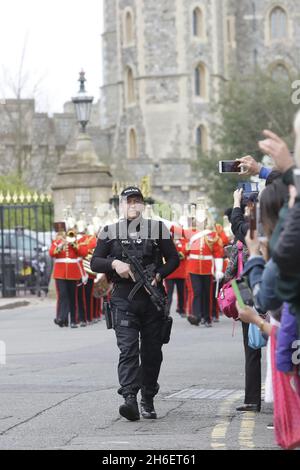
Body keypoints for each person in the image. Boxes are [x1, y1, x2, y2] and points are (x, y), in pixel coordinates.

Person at [91, 187, 179, 421]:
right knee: (128, 349)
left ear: (143, 205)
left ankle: (147, 398)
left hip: (152, 299)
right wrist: (114, 264)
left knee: (152, 353)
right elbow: (95, 262)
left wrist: (159, 274)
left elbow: (174, 259)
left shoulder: (158, 229)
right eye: (128, 201)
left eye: (137, 201)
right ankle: (129, 398)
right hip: (123, 298)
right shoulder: (109, 231)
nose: (133, 205)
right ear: (121, 205)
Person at [49, 222, 89, 328]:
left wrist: (73, 244)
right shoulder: (56, 242)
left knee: (72, 297)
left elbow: (83, 253)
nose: (62, 236)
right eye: (60, 234)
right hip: (60, 273)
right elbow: (52, 253)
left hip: (73, 273)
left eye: (63, 234)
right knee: (63, 295)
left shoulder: (74, 242)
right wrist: (61, 244)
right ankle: (62, 318)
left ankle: (74, 320)